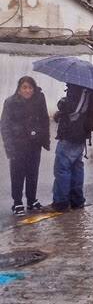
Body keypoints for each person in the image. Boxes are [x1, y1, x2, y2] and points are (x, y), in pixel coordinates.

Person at [1, 76, 50, 216]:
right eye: (24, 87)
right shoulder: (10, 103)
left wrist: (44, 139)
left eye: (30, 87)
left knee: (33, 173)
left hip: (34, 144)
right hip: (18, 145)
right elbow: (4, 126)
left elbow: (45, 120)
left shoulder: (39, 101)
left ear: (34, 89)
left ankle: (31, 200)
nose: (28, 90)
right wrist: (9, 147)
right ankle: (17, 202)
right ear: (19, 89)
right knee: (17, 175)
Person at [52, 83, 93, 212]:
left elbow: (73, 109)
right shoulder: (91, 89)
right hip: (81, 134)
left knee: (62, 170)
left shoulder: (77, 88)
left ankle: (61, 202)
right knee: (76, 167)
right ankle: (77, 201)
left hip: (70, 134)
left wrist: (62, 104)